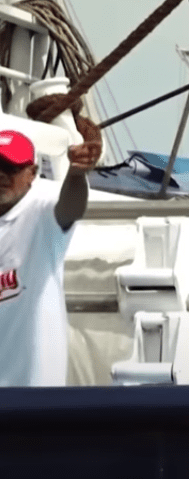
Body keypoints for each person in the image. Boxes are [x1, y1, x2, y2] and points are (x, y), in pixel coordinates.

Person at [0, 126, 102, 386]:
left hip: (31, 396)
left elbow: (70, 209)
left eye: (11, 168)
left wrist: (77, 175)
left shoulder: (41, 214)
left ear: (32, 173)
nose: (1, 175)